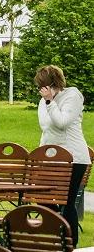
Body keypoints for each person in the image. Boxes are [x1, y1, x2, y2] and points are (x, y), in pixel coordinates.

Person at [35, 64, 90, 242]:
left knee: (67, 201)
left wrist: (50, 101)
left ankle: (70, 245)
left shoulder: (72, 95)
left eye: (43, 86)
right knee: (40, 197)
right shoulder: (44, 100)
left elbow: (62, 123)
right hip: (52, 158)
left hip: (74, 158)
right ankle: (59, 226)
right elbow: (47, 130)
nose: (40, 90)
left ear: (52, 84)